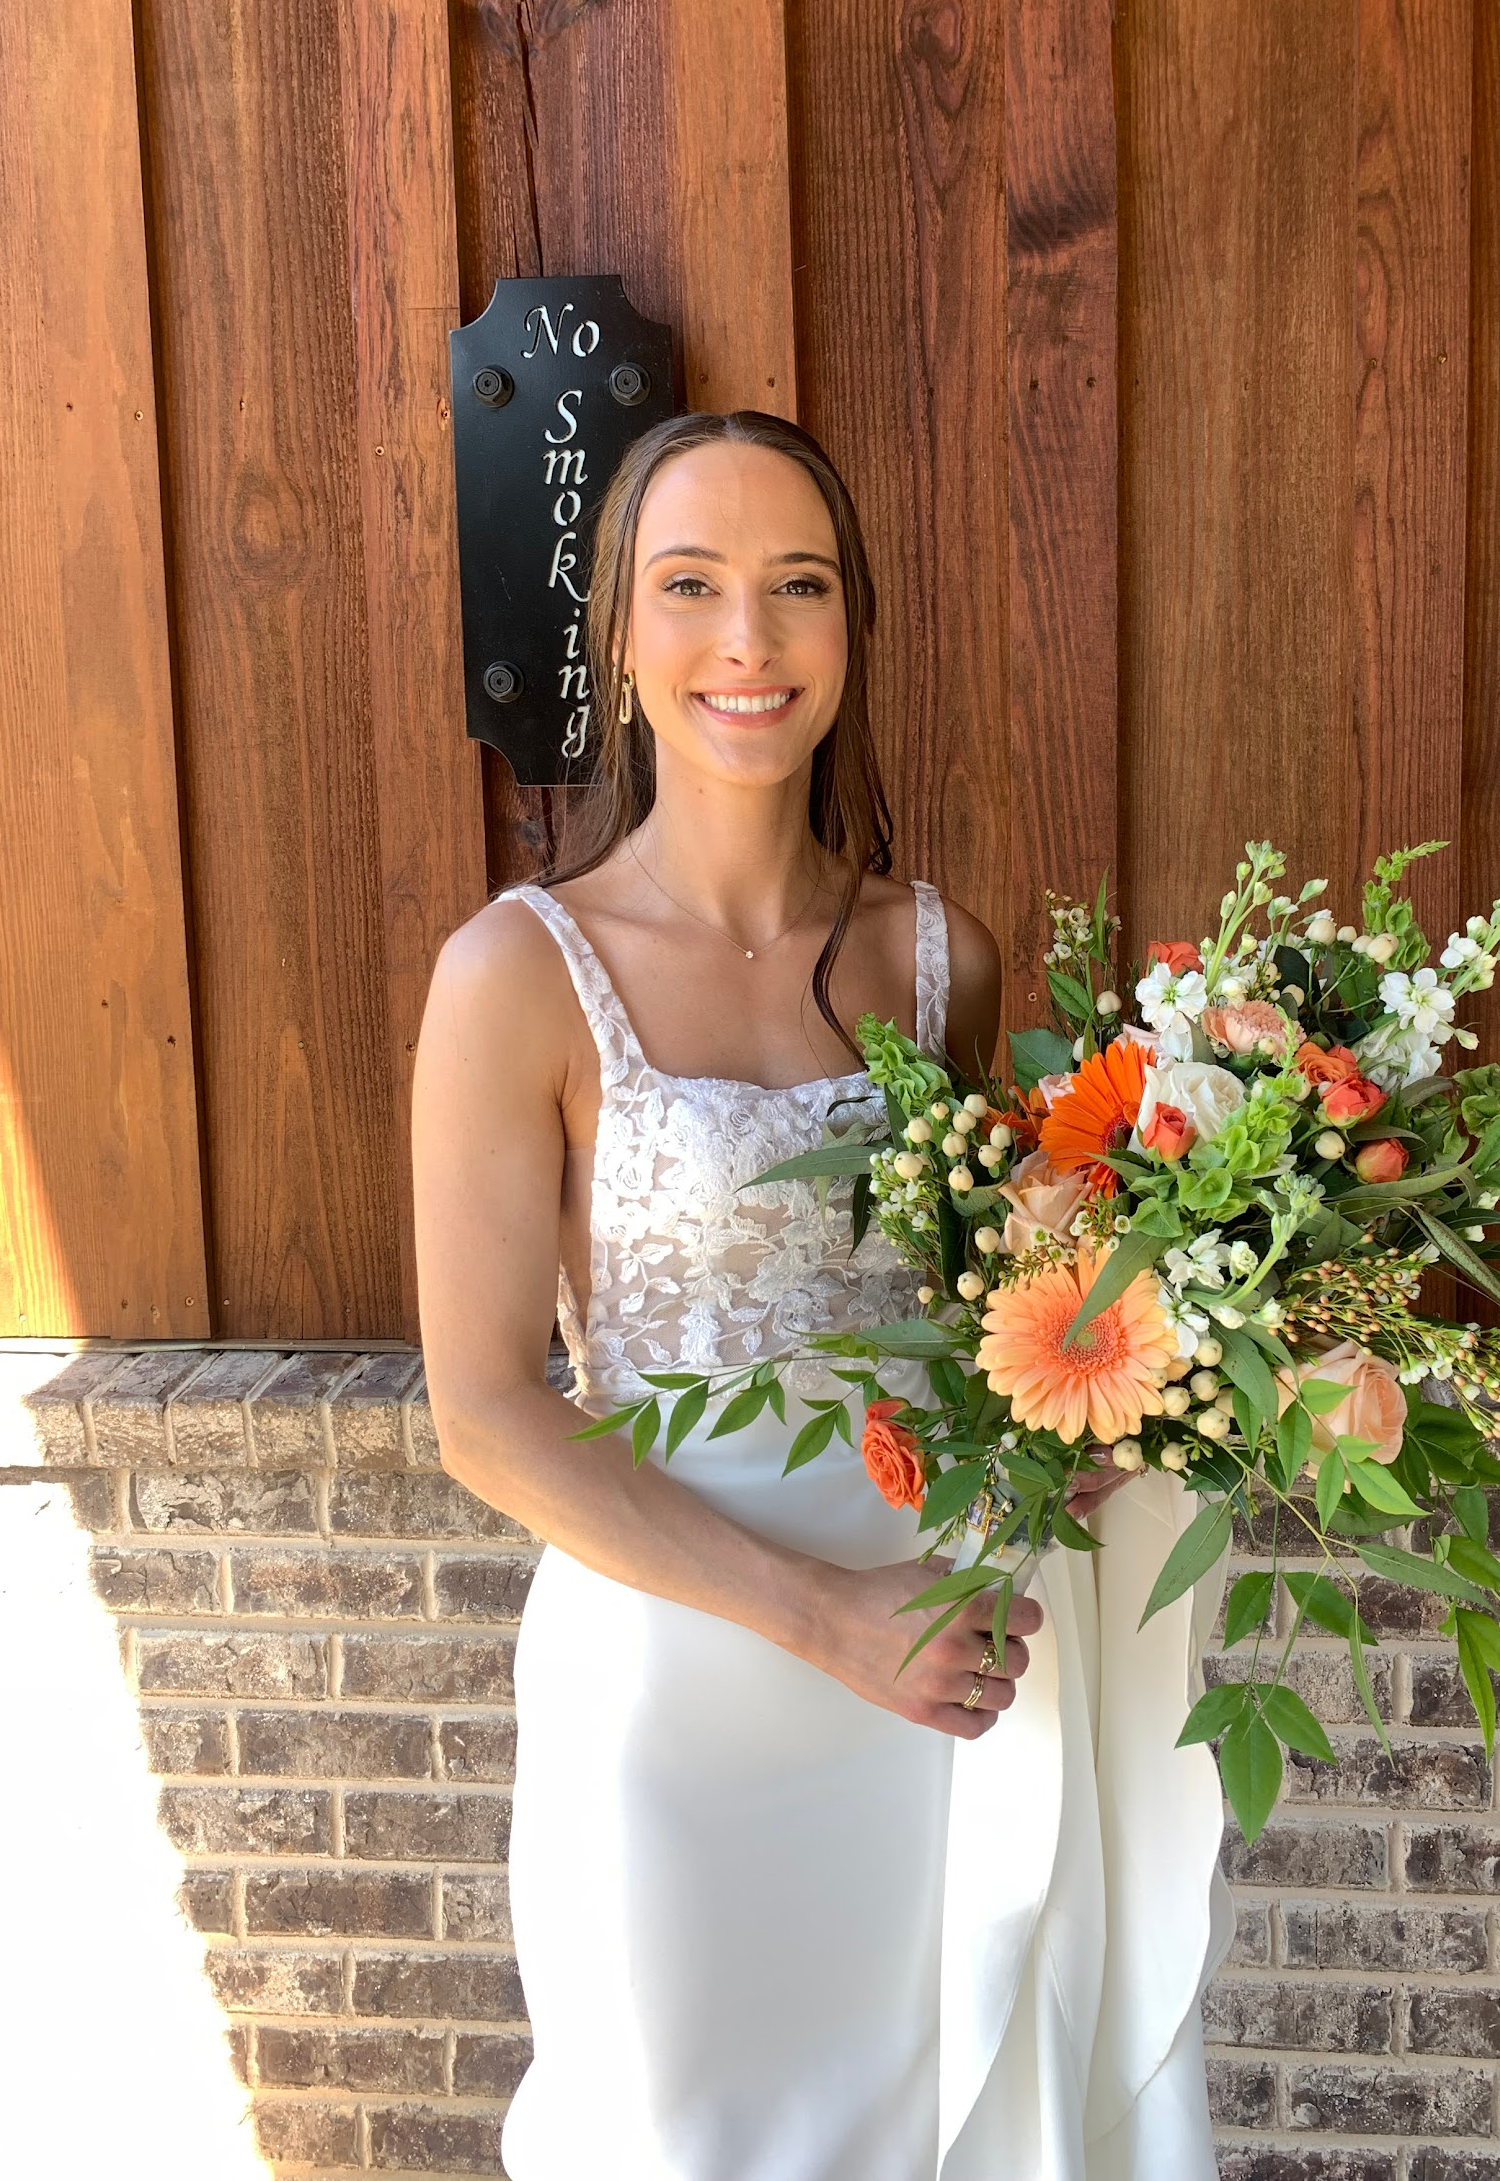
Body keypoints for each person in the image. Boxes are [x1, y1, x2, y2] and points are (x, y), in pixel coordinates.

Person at [412, 411, 1230, 2181]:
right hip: (682, 1691)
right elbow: (481, 1412)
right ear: (621, 642)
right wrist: (819, 1620)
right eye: (689, 587)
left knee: (949, 2112)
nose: (747, 644)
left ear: (851, 630)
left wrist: (1095, 1422)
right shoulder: (515, 976)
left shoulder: (936, 956)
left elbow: (1001, 1309)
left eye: (798, 588)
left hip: (941, 1660)